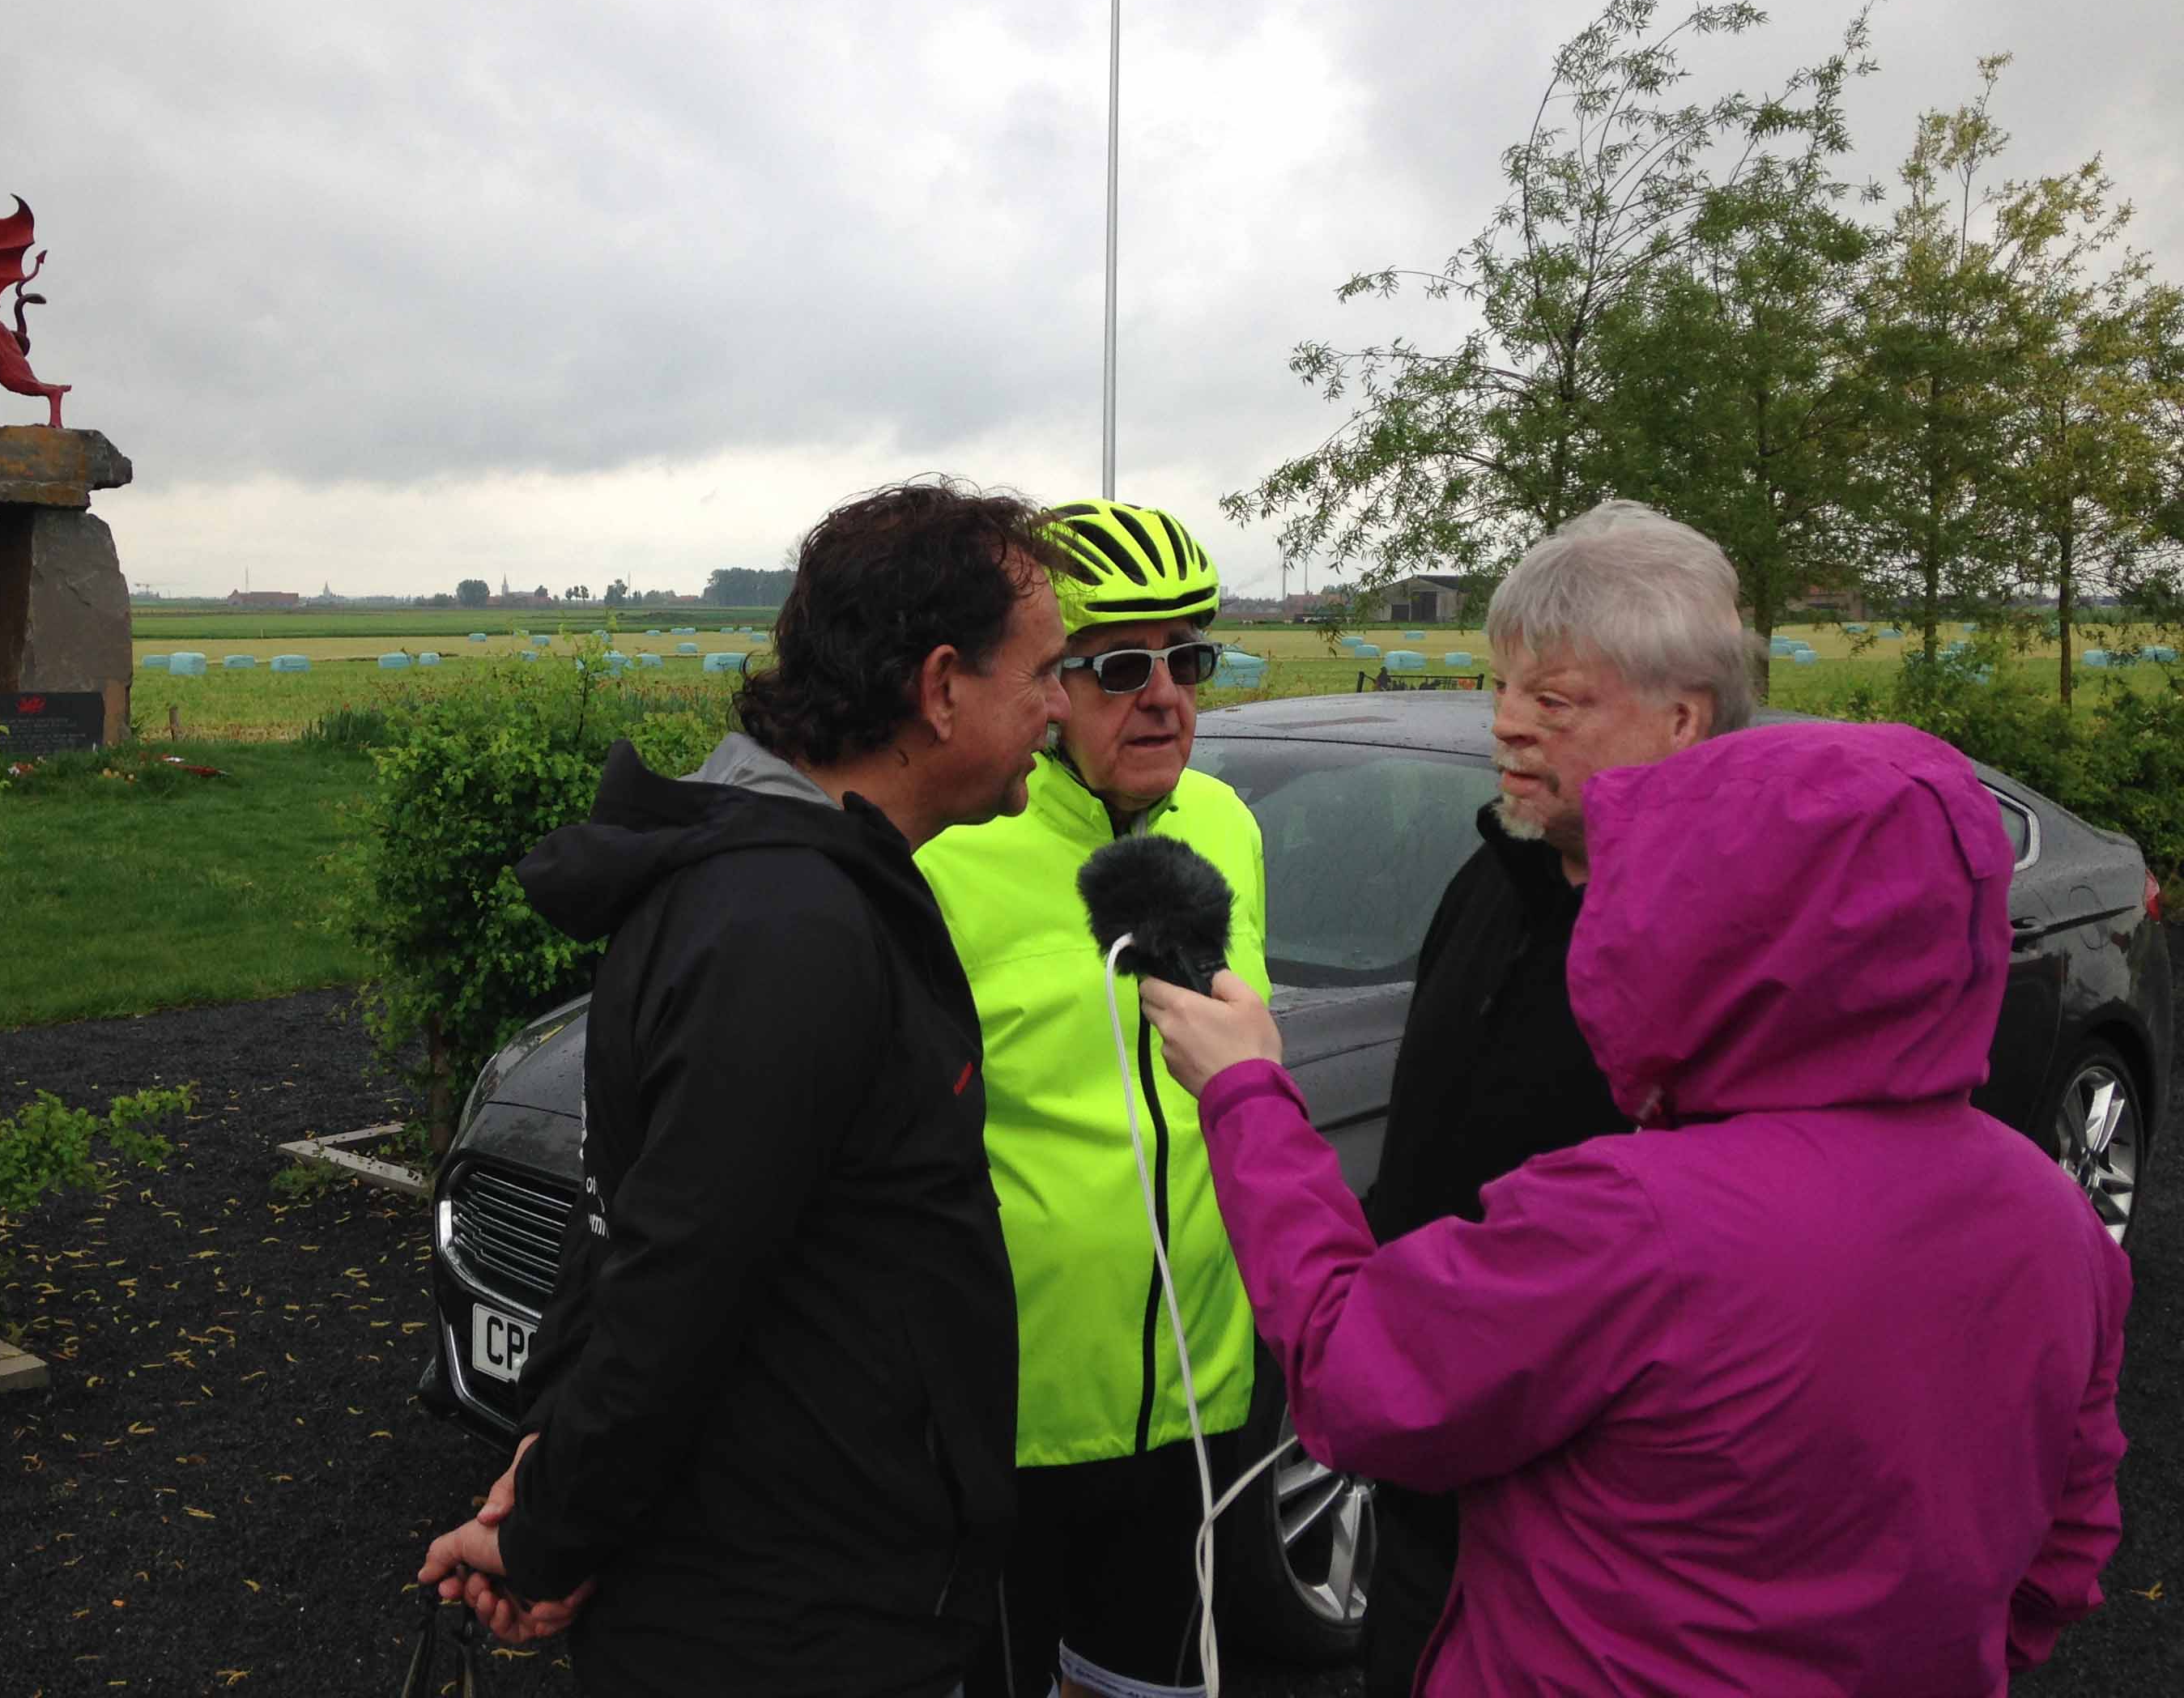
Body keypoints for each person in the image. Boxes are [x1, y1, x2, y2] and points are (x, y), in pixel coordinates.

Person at [1140, 719, 2131, 1693]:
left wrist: (1246, 1095)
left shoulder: (1636, 1217)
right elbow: (2067, 1551)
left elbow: (1356, 1376)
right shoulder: (2054, 1217)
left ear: (1715, 930)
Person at [417, 479, 1078, 1698]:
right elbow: (680, 1274)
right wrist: (551, 1528)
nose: (1061, 705)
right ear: (939, 689)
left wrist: (548, 1477)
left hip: (786, 1584)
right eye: (1045, 671)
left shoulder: (780, 889)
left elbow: (620, 1218)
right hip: (797, 1618)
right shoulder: (792, 927)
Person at [1347, 499, 1762, 1692]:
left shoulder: (1737, 940)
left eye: (1555, 701)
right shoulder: (1493, 879)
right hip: (1430, 1482)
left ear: (1683, 720)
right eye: (1502, 691)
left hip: (1607, 1534)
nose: (1507, 728)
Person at [917, 498, 1270, 1698]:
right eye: (1122, 664)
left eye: (1190, 658)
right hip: (1010, 1421)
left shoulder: (1224, 824)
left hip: (1199, 1396)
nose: (1165, 693)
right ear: (1046, 685)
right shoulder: (948, 849)